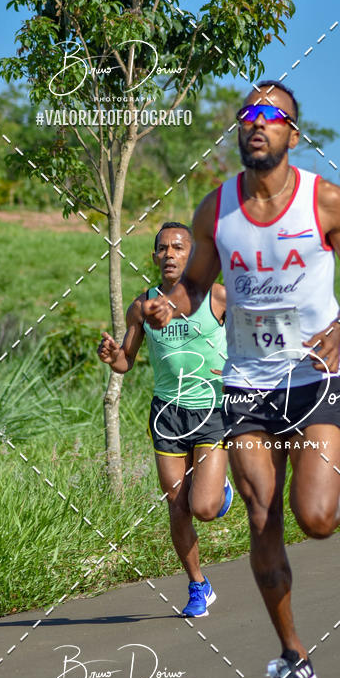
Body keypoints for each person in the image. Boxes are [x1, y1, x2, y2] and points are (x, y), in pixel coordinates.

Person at [143, 83, 340, 678]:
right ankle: (292, 654)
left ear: (293, 134)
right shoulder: (215, 210)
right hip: (246, 381)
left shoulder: (325, 201)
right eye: (247, 113)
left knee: (317, 519)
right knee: (261, 514)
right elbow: (194, 285)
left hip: (312, 375)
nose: (257, 121)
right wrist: (171, 306)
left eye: (272, 115)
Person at [97, 222, 233, 618]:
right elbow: (126, 361)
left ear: (193, 255)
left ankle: (220, 491)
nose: (169, 254)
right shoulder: (142, 306)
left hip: (212, 410)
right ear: (155, 256)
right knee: (176, 503)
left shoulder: (217, 297)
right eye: (163, 248)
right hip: (167, 415)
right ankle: (198, 586)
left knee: (203, 507)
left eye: (178, 247)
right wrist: (113, 357)